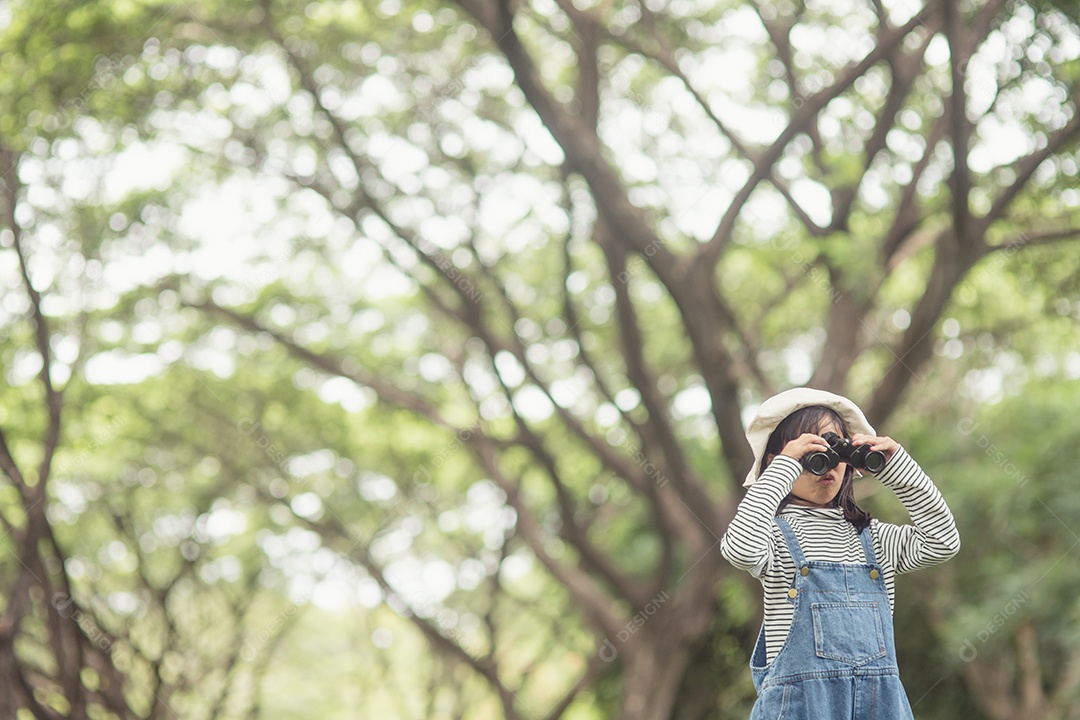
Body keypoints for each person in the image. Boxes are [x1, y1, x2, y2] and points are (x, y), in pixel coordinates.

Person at [720, 388, 960, 719]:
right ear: (779, 466)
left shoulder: (874, 538)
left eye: (837, 455)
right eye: (813, 456)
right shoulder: (773, 538)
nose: (827, 468)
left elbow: (943, 541)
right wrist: (784, 467)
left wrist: (899, 468)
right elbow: (739, 548)